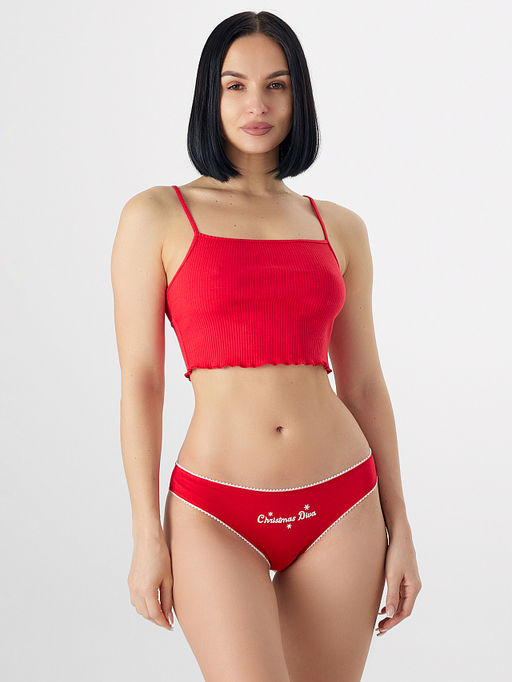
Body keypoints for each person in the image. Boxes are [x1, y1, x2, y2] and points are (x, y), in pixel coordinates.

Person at [111, 10, 422, 681]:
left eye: (276, 85)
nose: (257, 104)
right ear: (211, 95)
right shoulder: (157, 215)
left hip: (343, 503)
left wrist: (400, 527)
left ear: (297, 96)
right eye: (236, 85)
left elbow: (364, 385)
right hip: (214, 511)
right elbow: (141, 381)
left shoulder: (339, 226)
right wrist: (145, 536)